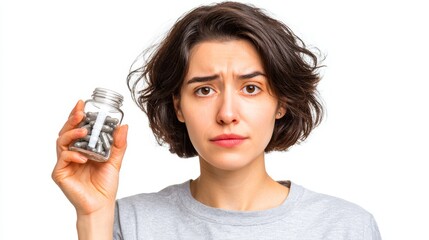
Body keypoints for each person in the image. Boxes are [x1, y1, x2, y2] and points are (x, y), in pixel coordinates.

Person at [52, 1, 382, 239]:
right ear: (178, 106)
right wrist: (93, 215)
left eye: (251, 88)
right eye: (205, 90)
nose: (227, 114)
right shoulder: (129, 222)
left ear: (280, 102)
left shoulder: (345, 227)